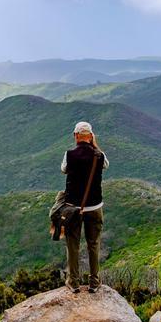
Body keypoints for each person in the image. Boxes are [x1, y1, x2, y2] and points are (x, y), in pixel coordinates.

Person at [60, 121, 109, 293]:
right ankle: (94, 282)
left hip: (73, 208)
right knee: (93, 244)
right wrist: (95, 146)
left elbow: (64, 169)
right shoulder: (99, 155)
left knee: (73, 244)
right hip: (95, 207)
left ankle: (73, 282)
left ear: (75, 136)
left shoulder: (69, 155)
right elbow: (106, 165)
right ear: (91, 136)